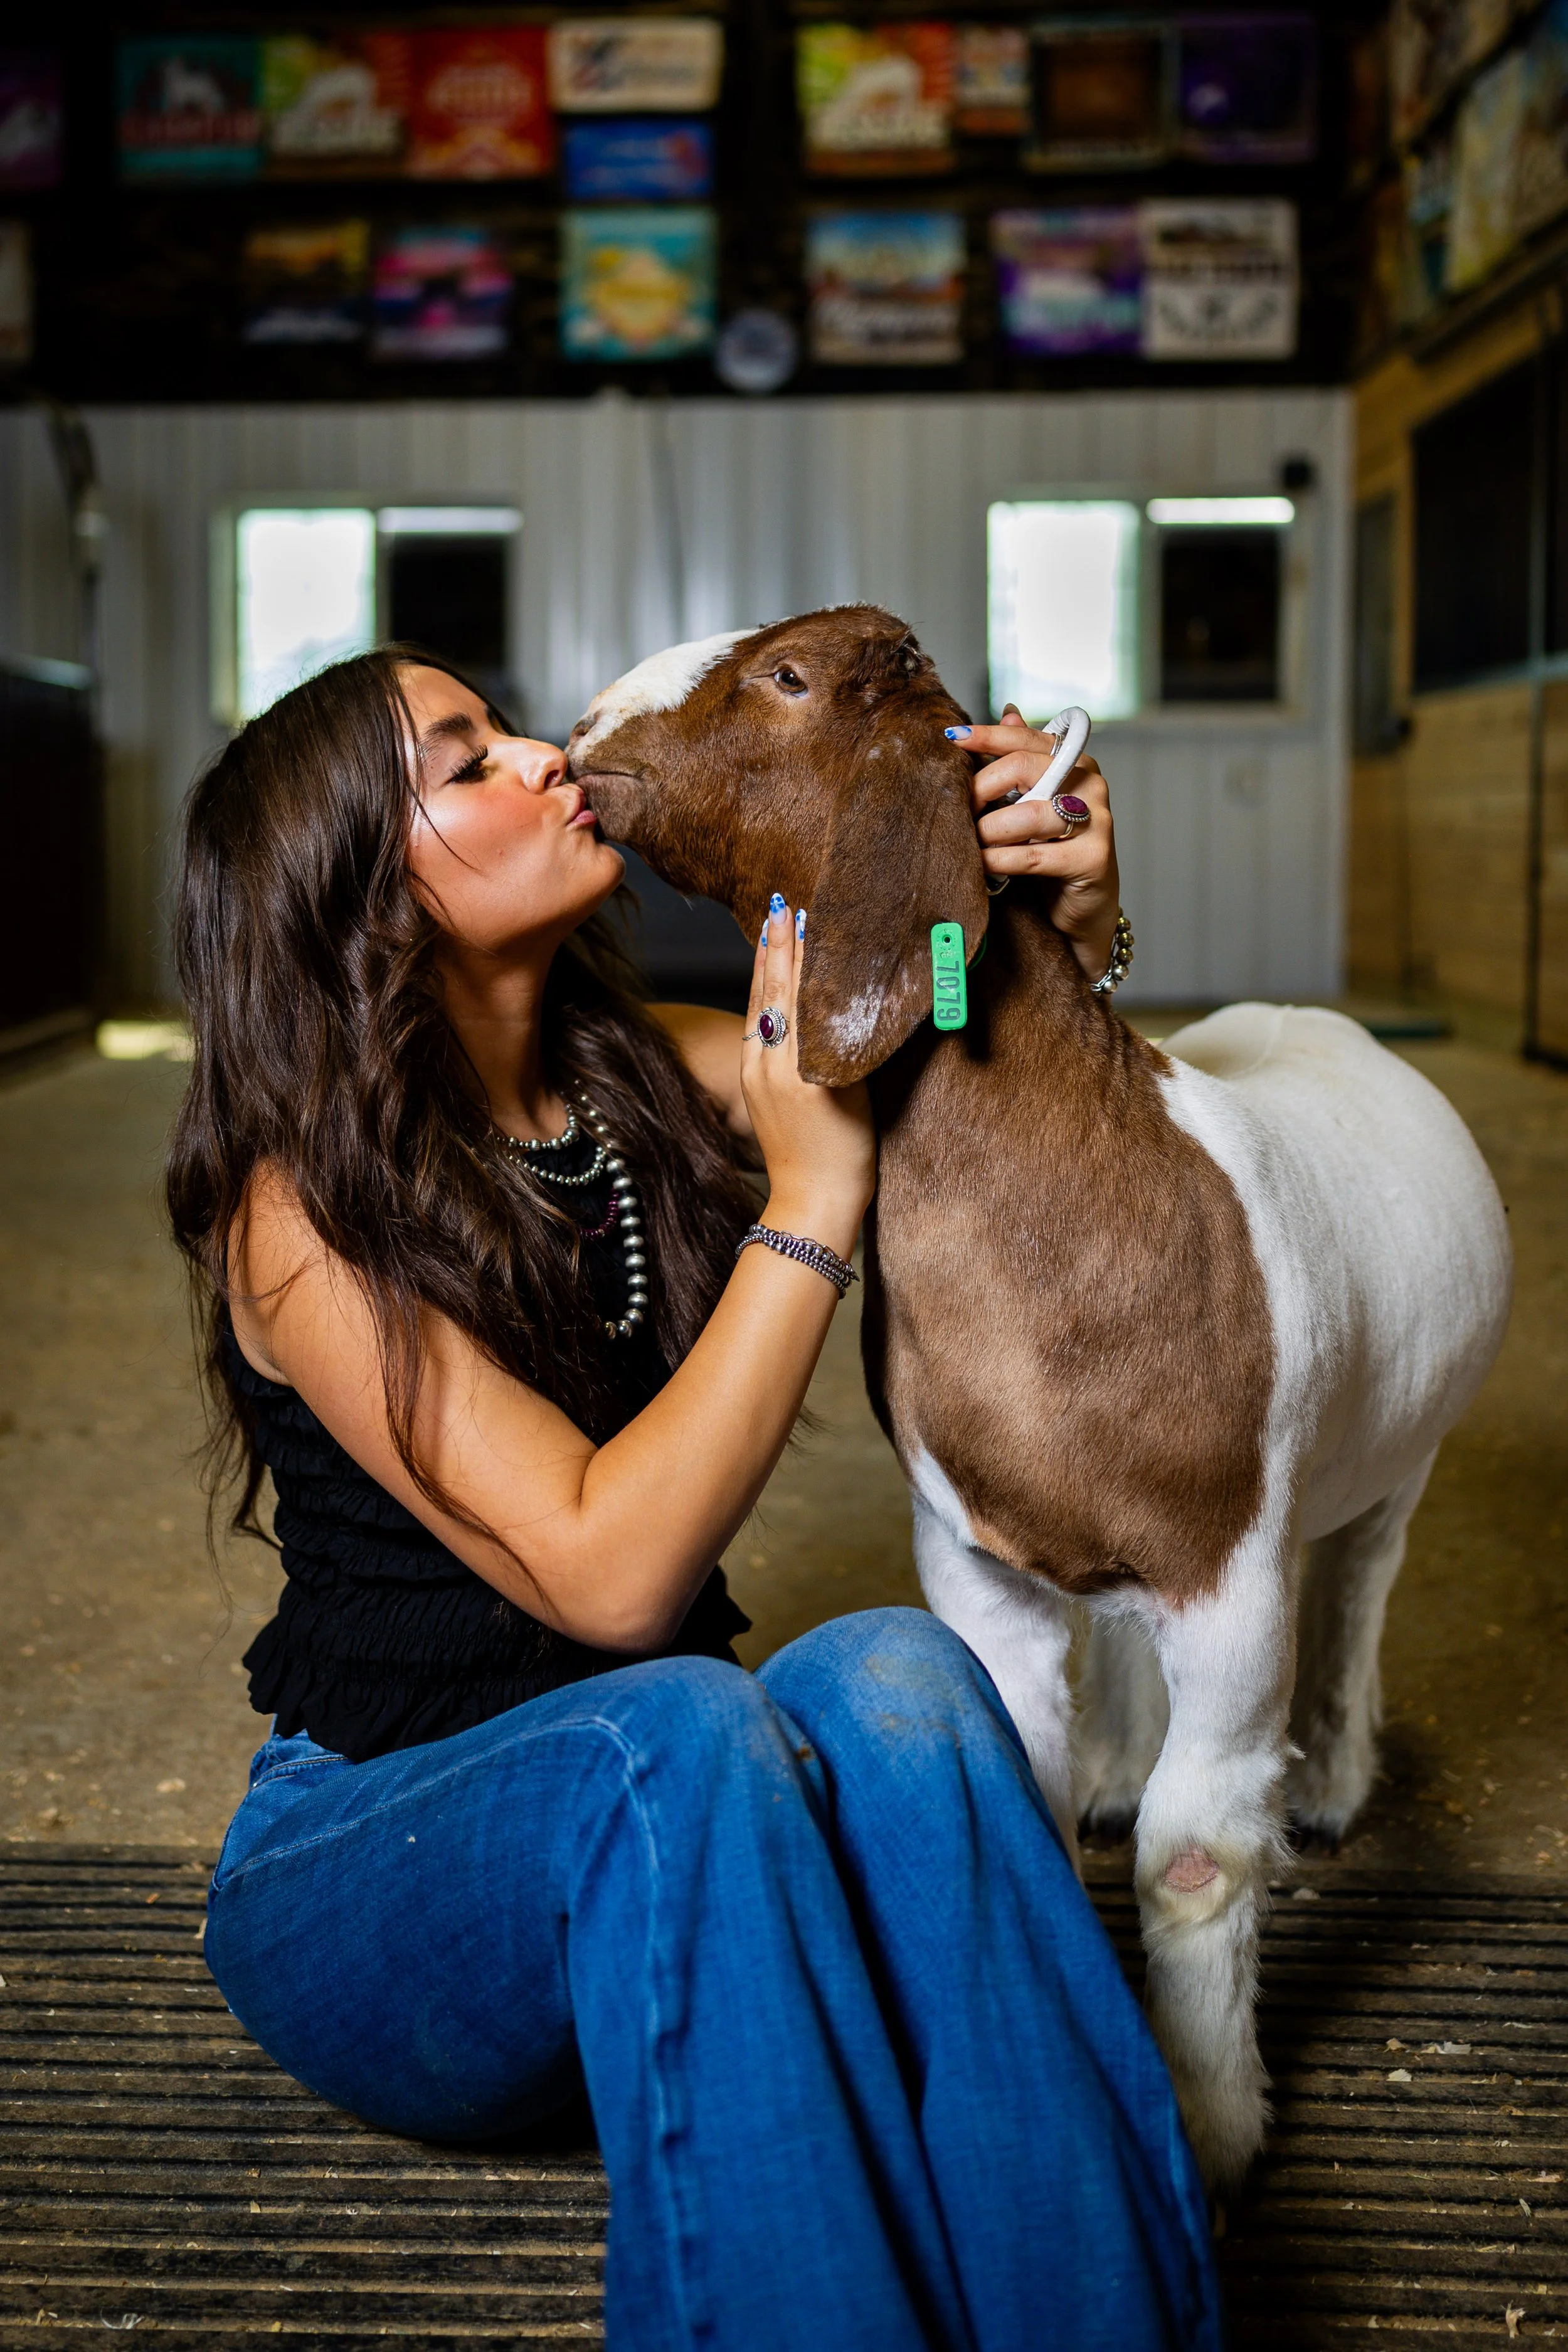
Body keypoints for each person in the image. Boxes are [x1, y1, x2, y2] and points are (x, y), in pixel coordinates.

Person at [167, 648, 1222, 2352]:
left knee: (898, 1669)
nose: (536, 751)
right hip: (378, 1874)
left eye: (505, 725)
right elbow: (612, 1580)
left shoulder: (642, 1070)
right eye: (463, 762)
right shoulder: (298, 1216)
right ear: (354, 888)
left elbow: (930, 1018)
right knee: (680, 1719)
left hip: (680, 1825)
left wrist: (1060, 910)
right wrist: (810, 1205)